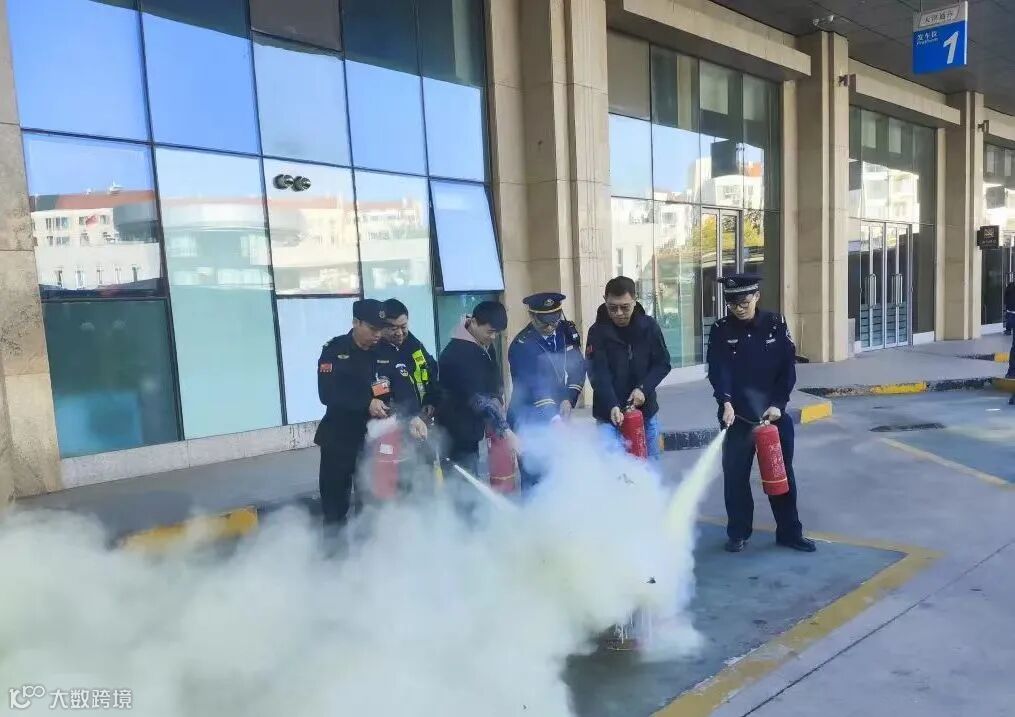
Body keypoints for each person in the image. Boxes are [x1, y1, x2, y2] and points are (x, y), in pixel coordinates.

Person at [706, 273, 816, 554]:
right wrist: (725, 401)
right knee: (735, 477)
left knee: (781, 474)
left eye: (743, 302)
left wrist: (779, 404)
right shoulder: (721, 329)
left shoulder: (775, 324)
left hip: (773, 416)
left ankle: (789, 532)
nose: (738, 309)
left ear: (756, 296)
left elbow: (787, 369)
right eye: (732, 304)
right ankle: (738, 533)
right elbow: (718, 370)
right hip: (737, 418)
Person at [315, 298, 391, 527]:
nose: (377, 335)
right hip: (339, 440)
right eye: (372, 329)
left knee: (371, 502)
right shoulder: (334, 351)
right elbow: (327, 393)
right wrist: (366, 403)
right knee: (335, 506)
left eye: (381, 329)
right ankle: (334, 547)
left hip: (373, 439)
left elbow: (393, 385)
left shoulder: (384, 350)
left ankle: (367, 546)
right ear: (356, 322)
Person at [507, 292, 587, 491]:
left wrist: (569, 398)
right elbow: (533, 385)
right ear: (532, 316)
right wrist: (554, 419)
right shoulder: (521, 346)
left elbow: (578, 366)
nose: (551, 327)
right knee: (535, 475)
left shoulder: (565, 332)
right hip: (528, 416)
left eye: (555, 320)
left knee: (557, 474)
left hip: (557, 411)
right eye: (545, 323)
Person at [585, 276, 672, 460]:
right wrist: (612, 404)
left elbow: (662, 363)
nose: (618, 313)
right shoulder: (597, 331)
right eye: (612, 307)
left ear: (635, 299)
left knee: (650, 468)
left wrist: (643, 389)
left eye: (625, 307)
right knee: (614, 469)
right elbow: (597, 373)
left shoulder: (649, 327)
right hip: (608, 415)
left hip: (646, 413)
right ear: (605, 300)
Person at [437, 301, 514, 475]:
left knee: (473, 473)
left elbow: (492, 376)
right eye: (490, 332)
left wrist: (497, 396)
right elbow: (477, 398)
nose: (493, 337)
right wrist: (506, 431)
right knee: (462, 482)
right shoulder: (457, 354)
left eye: (497, 333)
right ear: (473, 322)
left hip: (473, 428)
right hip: (456, 434)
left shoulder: (482, 342)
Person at [377, 298, 440, 427]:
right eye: (393, 328)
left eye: (403, 327)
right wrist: (404, 417)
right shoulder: (375, 353)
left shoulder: (415, 346)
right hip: (393, 425)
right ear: (381, 327)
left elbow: (430, 371)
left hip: (423, 420)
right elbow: (379, 394)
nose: (400, 333)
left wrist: (430, 400)